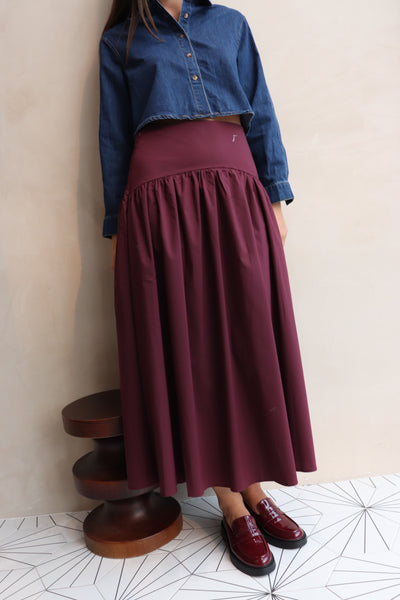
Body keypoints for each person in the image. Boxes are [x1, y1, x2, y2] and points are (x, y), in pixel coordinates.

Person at [98, 0, 317, 576]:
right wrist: (117, 226)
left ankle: (256, 487)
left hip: (236, 191)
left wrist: (276, 192)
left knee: (249, 341)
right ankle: (230, 502)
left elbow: (260, 108)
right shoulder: (121, 40)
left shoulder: (231, 24)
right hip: (158, 205)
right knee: (193, 348)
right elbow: (114, 137)